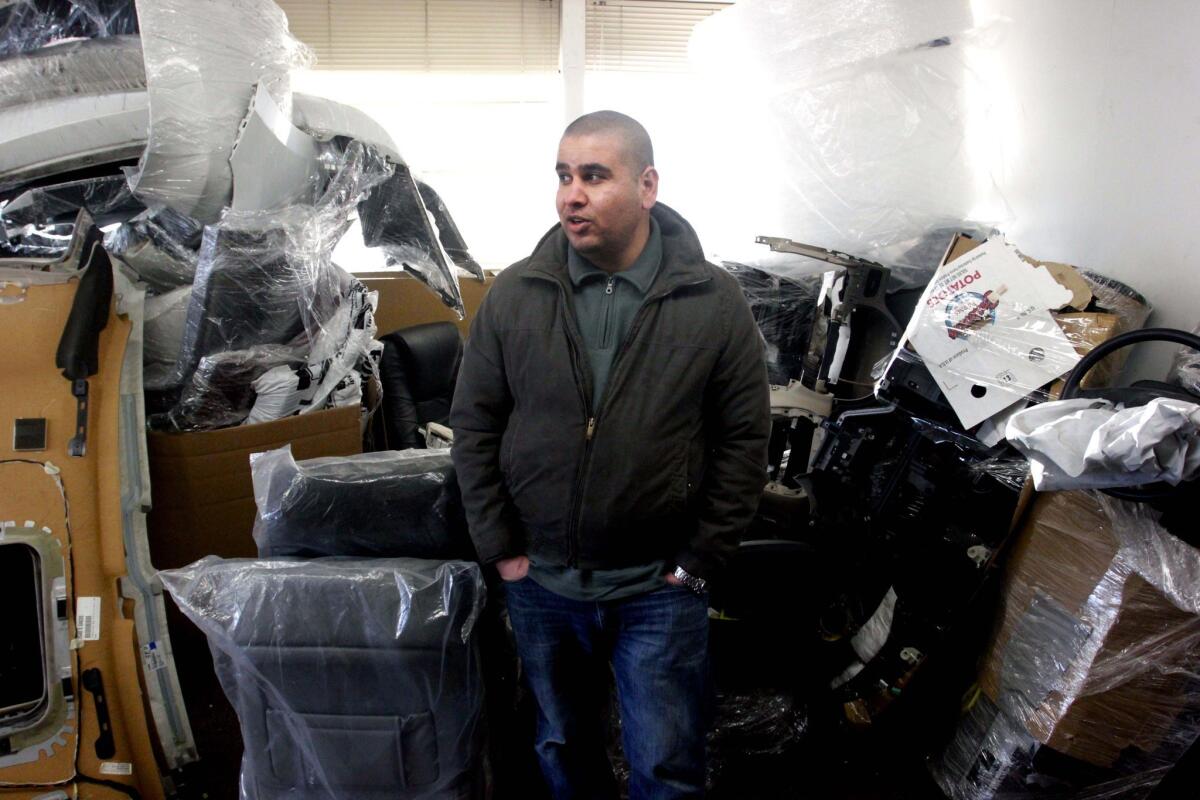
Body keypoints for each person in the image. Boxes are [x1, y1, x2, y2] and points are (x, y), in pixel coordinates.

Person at [451, 110, 770, 799]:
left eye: (595, 176)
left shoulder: (713, 302)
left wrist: (699, 560)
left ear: (647, 185)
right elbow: (474, 426)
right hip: (542, 583)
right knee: (563, 748)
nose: (572, 194)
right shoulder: (514, 295)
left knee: (664, 763)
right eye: (564, 176)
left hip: (658, 588)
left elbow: (743, 440)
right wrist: (500, 548)